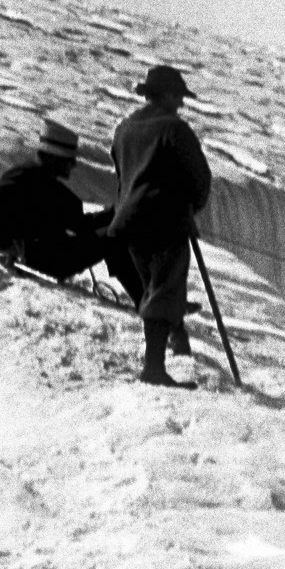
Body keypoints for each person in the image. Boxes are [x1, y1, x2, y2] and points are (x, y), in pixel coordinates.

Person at [110, 64, 211, 389]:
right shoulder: (174, 129)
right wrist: (191, 207)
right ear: (167, 95)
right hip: (165, 222)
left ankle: (169, 350)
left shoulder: (124, 128)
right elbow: (199, 178)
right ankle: (154, 369)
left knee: (152, 287)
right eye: (178, 96)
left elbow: (121, 172)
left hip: (129, 221)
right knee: (165, 289)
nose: (181, 103)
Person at [0, 120, 143, 300]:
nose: (73, 164)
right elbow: (82, 228)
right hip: (49, 262)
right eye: (69, 160)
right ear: (53, 158)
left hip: (28, 257)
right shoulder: (51, 191)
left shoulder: (15, 176)